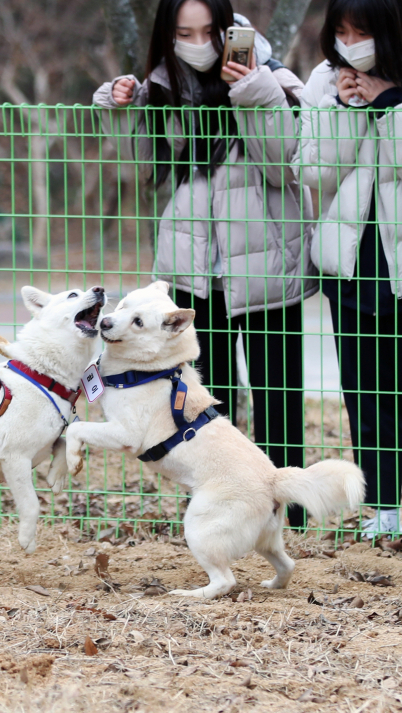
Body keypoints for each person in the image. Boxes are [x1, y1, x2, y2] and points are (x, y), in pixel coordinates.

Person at [93, 0, 316, 527]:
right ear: (166, 36)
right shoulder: (161, 89)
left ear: (229, 30)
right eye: (183, 32)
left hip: (268, 264)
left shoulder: (276, 81)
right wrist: (122, 111)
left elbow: (285, 164)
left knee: (279, 390)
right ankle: (219, 506)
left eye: (209, 31)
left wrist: (253, 92)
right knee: (199, 404)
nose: (196, 42)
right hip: (191, 268)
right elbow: (144, 168)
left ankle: (290, 513)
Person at [296, 0, 402, 537]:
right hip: (353, 258)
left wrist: (392, 104)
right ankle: (385, 505)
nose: (350, 41)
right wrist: (345, 109)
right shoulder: (324, 80)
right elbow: (314, 169)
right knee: (366, 385)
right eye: (341, 30)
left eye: (361, 30)